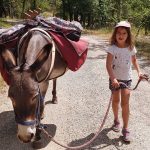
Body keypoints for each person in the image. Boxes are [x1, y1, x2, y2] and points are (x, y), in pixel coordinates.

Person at [106, 21, 142, 142]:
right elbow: (108, 65)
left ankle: (126, 129)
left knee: (125, 103)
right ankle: (116, 120)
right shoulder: (112, 48)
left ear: (128, 35)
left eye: (124, 33)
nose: (121, 35)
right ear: (115, 34)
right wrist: (113, 78)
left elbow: (134, 60)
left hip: (126, 79)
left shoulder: (131, 48)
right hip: (114, 79)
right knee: (116, 101)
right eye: (118, 33)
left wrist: (139, 72)